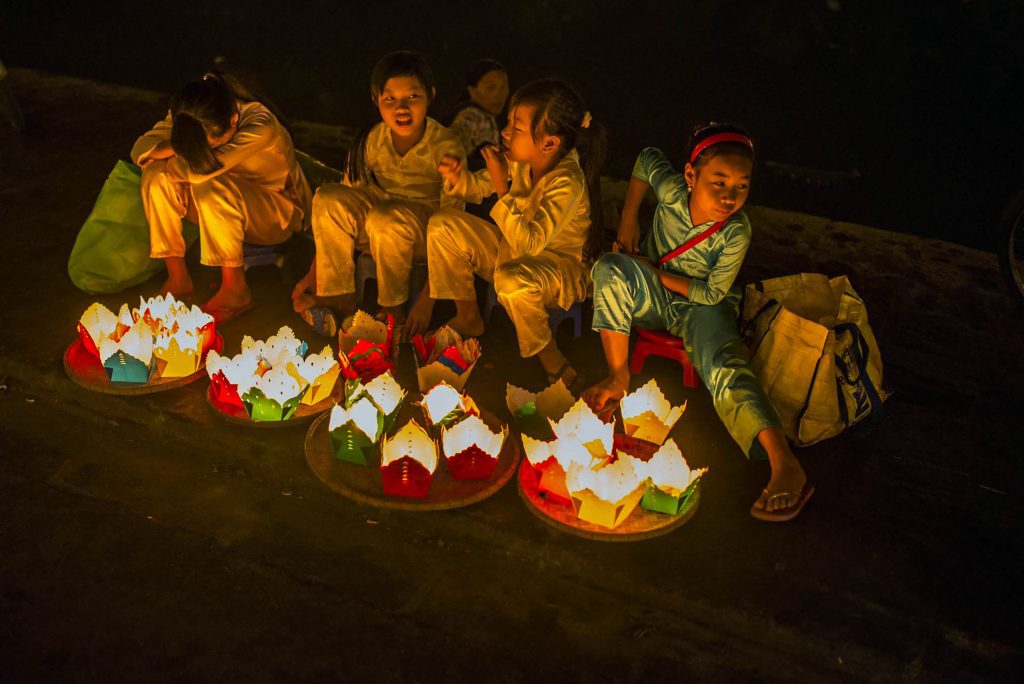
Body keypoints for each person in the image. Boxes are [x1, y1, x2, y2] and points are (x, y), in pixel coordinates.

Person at [581, 123, 813, 522]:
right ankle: (618, 375)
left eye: (741, 186)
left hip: (701, 305)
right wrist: (629, 218)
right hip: (654, 296)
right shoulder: (672, 191)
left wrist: (652, 272)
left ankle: (783, 462)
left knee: (725, 367)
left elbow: (709, 295)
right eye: (718, 182)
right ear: (690, 176)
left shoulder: (735, 232)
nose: (729, 196)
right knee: (607, 269)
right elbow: (646, 158)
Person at [413, 78, 606, 384]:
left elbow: (529, 244)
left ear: (549, 143)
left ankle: (552, 359)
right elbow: (477, 186)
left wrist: (503, 187)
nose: (504, 132)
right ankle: (467, 316)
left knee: (511, 278)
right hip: (511, 254)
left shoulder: (566, 182)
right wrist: (457, 177)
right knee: (443, 224)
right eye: (508, 123)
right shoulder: (523, 162)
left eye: (516, 128)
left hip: (556, 273)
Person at [291, 51, 465, 336]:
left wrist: (426, 303)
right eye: (390, 99)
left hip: (424, 238)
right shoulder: (371, 140)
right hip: (377, 228)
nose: (402, 108)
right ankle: (339, 302)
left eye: (412, 97)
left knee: (385, 217)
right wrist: (313, 274)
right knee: (328, 196)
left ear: (430, 95)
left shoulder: (446, 146)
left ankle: (393, 308)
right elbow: (336, 216)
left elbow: (454, 228)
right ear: (376, 100)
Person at [131, 72, 311, 322]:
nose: (206, 150)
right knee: (155, 174)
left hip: (277, 213)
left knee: (207, 182)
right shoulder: (191, 114)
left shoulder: (260, 125)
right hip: (222, 209)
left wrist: (177, 152)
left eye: (212, 145)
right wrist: (176, 144)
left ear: (234, 120)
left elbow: (201, 171)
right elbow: (140, 149)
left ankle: (235, 288)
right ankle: (178, 277)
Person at [446, 59, 509, 163]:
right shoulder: (473, 116)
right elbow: (450, 145)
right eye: (491, 87)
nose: (498, 94)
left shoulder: (488, 118)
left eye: (503, 87)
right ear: (472, 91)